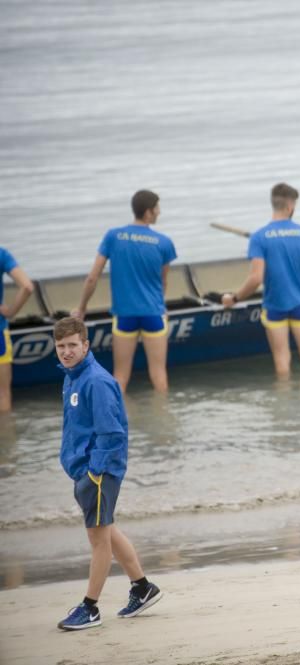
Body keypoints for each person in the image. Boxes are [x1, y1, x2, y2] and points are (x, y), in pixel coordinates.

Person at [53, 316, 162, 630]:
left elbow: (112, 434)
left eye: (73, 345)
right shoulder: (71, 376)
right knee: (107, 530)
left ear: (85, 345)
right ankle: (142, 588)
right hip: (83, 472)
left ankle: (90, 608)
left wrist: (94, 473)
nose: (67, 352)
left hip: (98, 474)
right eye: (61, 346)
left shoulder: (96, 381)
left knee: (97, 538)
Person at [75, 190, 177, 393]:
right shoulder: (163, 242)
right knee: (158, 374)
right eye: (157, 208)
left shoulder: (113, 236)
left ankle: (117, 422)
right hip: (153, 314)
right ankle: (163, 421)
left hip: (124, 315)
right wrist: (160, 305)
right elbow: (163, 282)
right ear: (148, 212)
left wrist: (81, 308)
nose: (159, 212)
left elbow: (92, 278)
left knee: (120, 376)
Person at [222, 183, 300, 378]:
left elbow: (256, 278)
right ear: (290, 206)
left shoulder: (259, 237)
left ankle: (283, 406)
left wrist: (234, 299)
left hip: (275, 306)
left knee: (282, 363)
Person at [0, 247, 35, 411]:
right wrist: (10, 312)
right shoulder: (2, 254)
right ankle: (7, 436)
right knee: (3, 394)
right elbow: (27, 287)